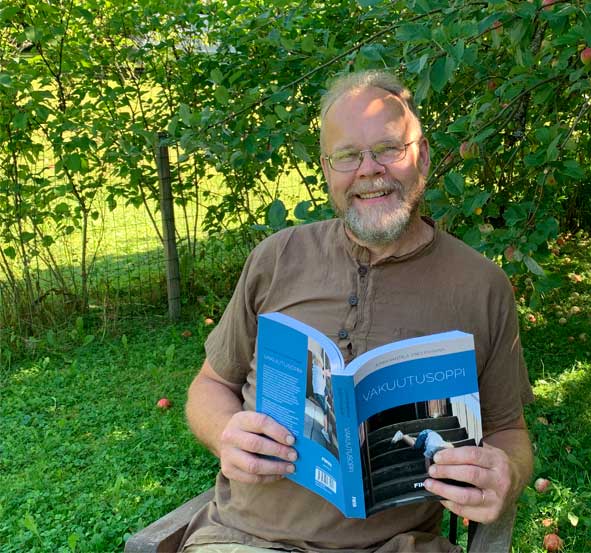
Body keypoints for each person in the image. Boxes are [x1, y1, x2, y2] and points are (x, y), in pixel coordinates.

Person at [181, 69, 534, 553]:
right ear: (327, 170)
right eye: (347, 155)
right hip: (244, 540)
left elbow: (509, 431)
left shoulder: (482, 286)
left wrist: (507, 472)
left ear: (422, 156)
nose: (369, 170)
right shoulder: (276, 258)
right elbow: (209, 385)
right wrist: (225, 434)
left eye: (389, 148)